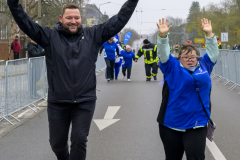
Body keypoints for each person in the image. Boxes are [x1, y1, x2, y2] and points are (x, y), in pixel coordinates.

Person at [7, 0, 139, 159]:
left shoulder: (94, 34)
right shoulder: (49, 36)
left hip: (84, 101)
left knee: (79, 140)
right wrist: (13, 3)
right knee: (56, 143)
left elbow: (119, 20)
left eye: (76, 18)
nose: (73, 21)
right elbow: (24, 22)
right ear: (61, 18)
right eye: (69, 18)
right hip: (58, 102)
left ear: (81, 18)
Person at [156, 18, 218, 160]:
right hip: (171, 124)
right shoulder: (171, 67)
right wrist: (163, 37)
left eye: (193, 56)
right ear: (179, 58)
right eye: (185, 56)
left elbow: (213, 53)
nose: (190, 59)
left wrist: (209, 34)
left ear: (197, 58)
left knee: (196, 157)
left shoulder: (205, 66)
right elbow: (164, 54)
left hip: (197, 123)